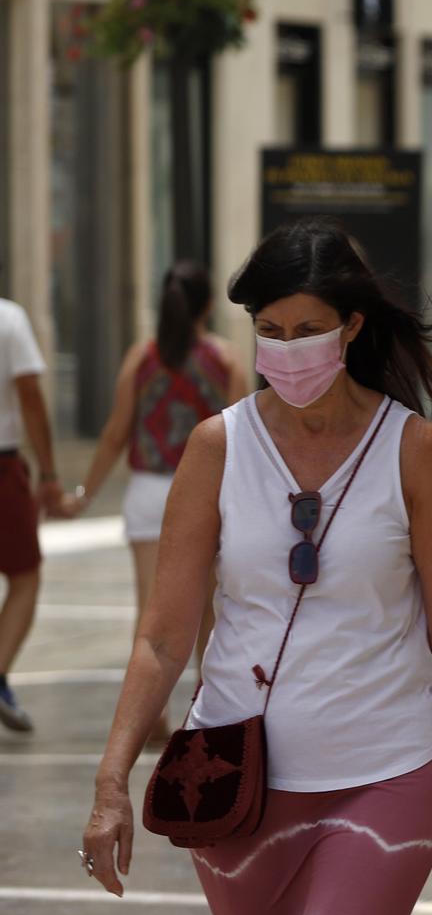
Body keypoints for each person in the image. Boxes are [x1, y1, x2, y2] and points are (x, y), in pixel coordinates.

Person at [79, 219, 432, 915]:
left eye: (306, 331)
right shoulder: (217, 448)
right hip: (234, 784)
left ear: (351, 326)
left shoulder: (412, 451)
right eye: (268, 332)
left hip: (387, 772)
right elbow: (164, 634)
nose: (286, 350)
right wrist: (111, 781)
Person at [65, 261, 248, 742]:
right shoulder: (225, 360)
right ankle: (208, 713)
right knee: (207, 611)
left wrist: (84, 494)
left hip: (147, 494)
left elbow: (113, 433)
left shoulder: (141, 358)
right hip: (206, 494)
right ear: (209, 304)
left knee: (151, 613)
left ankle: (150, 718)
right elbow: (243, 440)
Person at [0, 293, 62, 732]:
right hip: (1, 468)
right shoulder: (8, 319)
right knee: (25, 575)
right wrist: (49, 471)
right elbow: (30, 395)